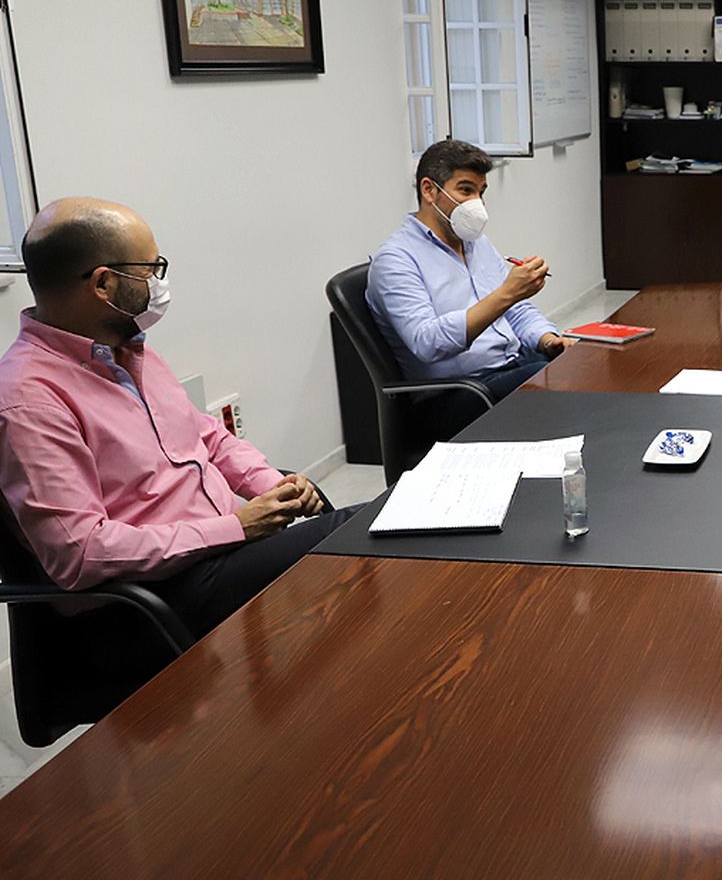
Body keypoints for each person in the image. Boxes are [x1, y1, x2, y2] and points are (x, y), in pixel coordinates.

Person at [0, 198, 357, 653]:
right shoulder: (29, 399)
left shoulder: (127, 350)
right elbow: (82, 554)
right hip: (149, 601)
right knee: (355, 533)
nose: (159, 283)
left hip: (218, 555)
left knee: (364, 541)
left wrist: (272, 484)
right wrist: (237, 527)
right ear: (104, 283)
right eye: (151, 269)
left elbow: (207, 436)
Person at [367, 139, 575, 438]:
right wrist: (507, 293)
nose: (477, 203)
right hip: (457, 393)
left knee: (578, 365)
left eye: (481, 192)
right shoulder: (396, 260)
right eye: (466, 190)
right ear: (429, 190)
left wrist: (547, 339)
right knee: (557, 388)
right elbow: (427, 342)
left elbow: (516, 310)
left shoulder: (476, 243)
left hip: (510, 367)